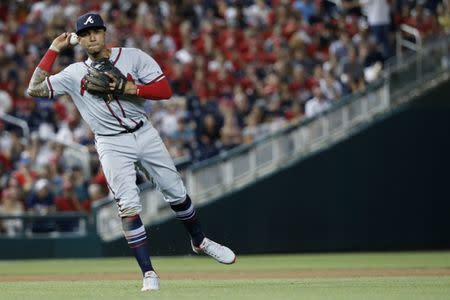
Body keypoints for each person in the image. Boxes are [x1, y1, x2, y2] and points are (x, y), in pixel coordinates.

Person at [27, 12, 236, 291]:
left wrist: (130, 88)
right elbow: (34, 88)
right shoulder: (75, 73)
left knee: (176, 191)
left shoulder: (133, 57)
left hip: (143, 132)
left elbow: (164, 91)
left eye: (97, 31)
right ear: (80, 39)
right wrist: (53, 50)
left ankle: (200, 241)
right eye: (86, 33)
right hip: (111, 142)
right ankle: (148, 273)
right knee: (128, 206)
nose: (92, 37)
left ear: (105, 33)